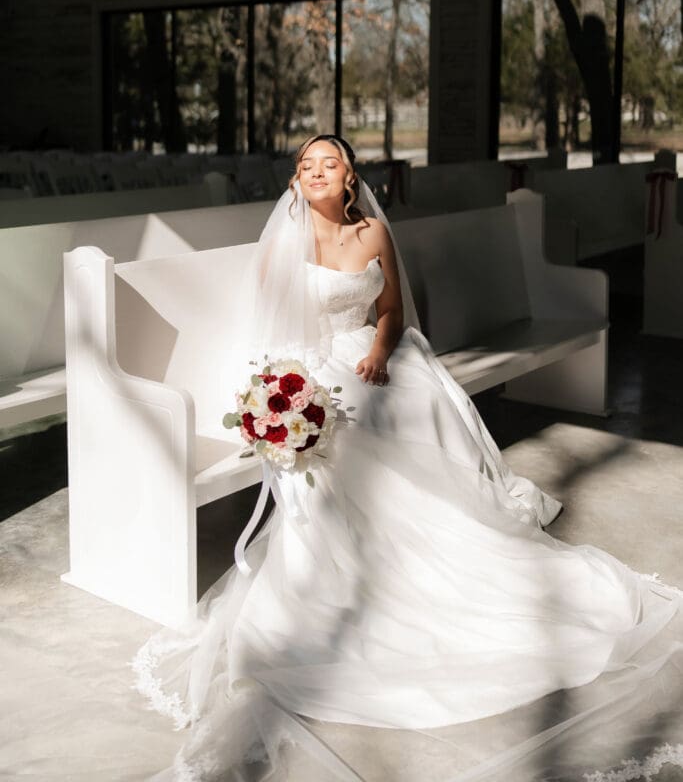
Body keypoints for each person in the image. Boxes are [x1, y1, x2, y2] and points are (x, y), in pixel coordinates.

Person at [133, 135, 682, 782]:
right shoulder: (284, 243)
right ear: (295, 183)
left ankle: (432, 534)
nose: (316, 173)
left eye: (328, 164)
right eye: (305, 166)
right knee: (344, 439)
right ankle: (349, 572)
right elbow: (271, 328)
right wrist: (289, 389)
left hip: (367, 352)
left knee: (413, 403)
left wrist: (377, 350)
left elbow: (389, 309)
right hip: (308, 368)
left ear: (348, 178)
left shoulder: (371, 234)